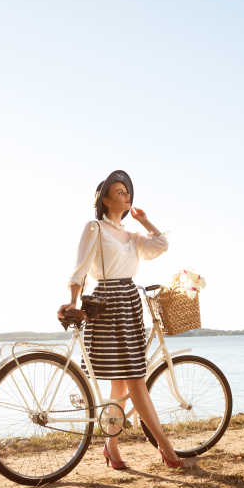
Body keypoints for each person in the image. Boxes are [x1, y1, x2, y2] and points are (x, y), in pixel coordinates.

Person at [57, 170, 191, 469]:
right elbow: (79, 270)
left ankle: (111, 448)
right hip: (107, 303)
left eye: (127, 191)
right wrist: (73, 302)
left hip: (130, 301)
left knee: (120, 384)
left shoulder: (130, 235)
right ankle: (168, 451)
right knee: (135, 379)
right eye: (119, 191)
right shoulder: (95, 228)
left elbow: (161, 246)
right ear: (103, 199)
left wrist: (144, 220)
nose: (125, 195)